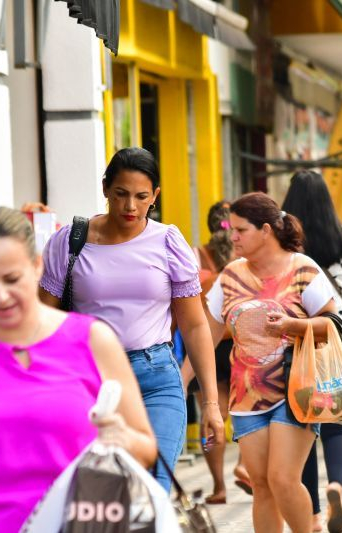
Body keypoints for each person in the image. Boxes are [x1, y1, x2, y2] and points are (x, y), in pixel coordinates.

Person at [0, 207, 157, 532]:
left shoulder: (94, 340)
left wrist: (121, 437)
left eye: (12, 279)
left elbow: (147, 449)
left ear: (37, 265)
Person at [38, 147, 224, 492]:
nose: (130, 207)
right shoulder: (70, 242)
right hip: (91, 382)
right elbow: (43, 322)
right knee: (101, 496)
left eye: (142, 197)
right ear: (106, 187)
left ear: (155, 195)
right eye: (121, 194)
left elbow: (195, 324)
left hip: (156, 380)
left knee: (152, 491)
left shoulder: (168, 242)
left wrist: (211, 403)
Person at [204, 192, 337, 533]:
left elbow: (332, 325)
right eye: (229, 229)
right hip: (246, 394)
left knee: (282, 478)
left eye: (240, 230)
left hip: (298, 388)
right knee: (261, 485)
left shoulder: (302, 268)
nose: (231, 237)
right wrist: (183, 381)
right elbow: (205, 337)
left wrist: (293, 326)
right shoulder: (230, 275)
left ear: (265, 230)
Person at [282, 170, 342, 533]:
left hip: (296, 337)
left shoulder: (285, 236)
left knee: (303, 422)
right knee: (338, 418)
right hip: (338, 330)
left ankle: (314, 513)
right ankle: (337, 485)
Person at [189, 200, 252, 503]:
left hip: (207, 341)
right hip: (241, 342)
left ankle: (219, 487)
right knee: (250, 409)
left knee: (212, 413)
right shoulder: (244, 255)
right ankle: (244, 466)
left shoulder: (197, 255)